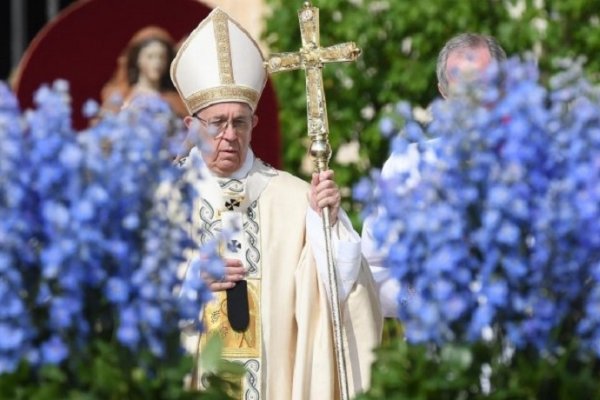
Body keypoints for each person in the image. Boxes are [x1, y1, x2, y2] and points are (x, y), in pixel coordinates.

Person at [173, 9, 382, 399]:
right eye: (217, 123)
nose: (230, 135)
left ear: (254, 123)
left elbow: (334, 301)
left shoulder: (292, 197)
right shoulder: (161, 199)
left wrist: (328, 227)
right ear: (191, 127)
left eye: (241, 121)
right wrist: (188, 285)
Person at [362, 33, 507, 318]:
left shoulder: (539, 161)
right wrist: (419, 302)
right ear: (444, 93)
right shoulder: (407, 165)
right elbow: (373, 271)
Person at [100, 26, 187, 117]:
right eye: (150, 57)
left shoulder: (175, 101)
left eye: (162, 57)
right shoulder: (120, 96)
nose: (157, 63)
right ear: (138, 59)